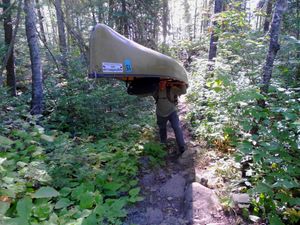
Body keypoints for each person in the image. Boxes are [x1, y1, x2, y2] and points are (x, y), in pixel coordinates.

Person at [153, 80, 187, 154]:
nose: (162, 84)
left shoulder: (172, 89)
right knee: (162, 129)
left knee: (177, 127)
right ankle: (163, 146)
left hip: (172, 112)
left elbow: (183, 92)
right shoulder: (155, 90)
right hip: (160, 113)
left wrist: (183, 84)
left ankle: (182, 147)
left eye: (163, 82)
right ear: (158, 84)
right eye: (160, 82)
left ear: (166, 83)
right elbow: (143, 93)